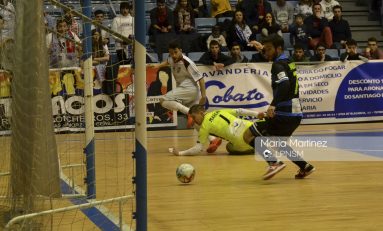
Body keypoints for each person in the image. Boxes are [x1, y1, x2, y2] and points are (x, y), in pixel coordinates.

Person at [253, 34, 315, 179]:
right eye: (265, 50)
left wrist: (273, 105)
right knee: (279, 143)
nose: (266, 53)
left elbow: (285, 83)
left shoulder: (277, 65)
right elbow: (274, 55)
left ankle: (273, 163)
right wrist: (262, 48)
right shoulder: (288, 59)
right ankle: (305, 166)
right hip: (296, 113)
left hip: (285, 113)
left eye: (268, 49)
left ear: (278, 48)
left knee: (249, 134)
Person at [172, 105, 287, 180]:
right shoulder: (218, 111)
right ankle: (264, 142)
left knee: (229, 148)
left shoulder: (204, 127)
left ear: (201, 113)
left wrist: (180, 153)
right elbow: (239, 111)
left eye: (194, 116)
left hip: (242, 140)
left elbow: (198, 148)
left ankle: (255, 149)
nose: (194, 120)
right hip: (251, 127)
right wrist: (257, 114)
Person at [151, 41, 222, 152]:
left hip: (189, 89)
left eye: (175, 52)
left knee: (163, 100)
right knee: (197, 121)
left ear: (181, 51)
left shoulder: (187, 62)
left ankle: (188, 112)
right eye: (171, 53)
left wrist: (204, 95)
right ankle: (213, 139)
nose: (173, 55)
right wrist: (157, 66)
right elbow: (167, 61)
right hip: (188, 91)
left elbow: (201, 78)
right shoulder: (172, 59)